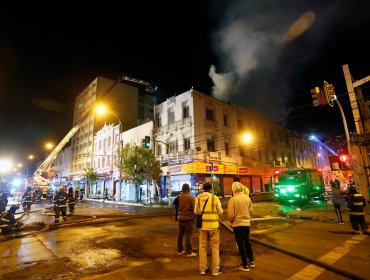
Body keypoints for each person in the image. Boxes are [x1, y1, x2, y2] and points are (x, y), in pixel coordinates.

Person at [194, 182, 223, 276]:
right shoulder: (215, 198)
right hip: (214, 226)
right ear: (210, 189)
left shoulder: (198, 198)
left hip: (202, 227)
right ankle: (215, 270)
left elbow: (195, 211)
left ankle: (203, 269)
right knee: (215, 248)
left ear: (203, 188)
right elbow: (221, 211)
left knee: (202, 248)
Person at [228, 181, 255, 272]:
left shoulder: (233, 199)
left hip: (237, 224)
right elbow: (251, 211)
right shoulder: (247, 198)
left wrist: (231, 221)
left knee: (241, 244)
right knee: (247, 241)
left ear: (233, 189)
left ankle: (244, 265)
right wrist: (247, 218)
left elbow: (231, 215)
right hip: (246, 223)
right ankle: (251, 261)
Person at [173, 183, 197, 257]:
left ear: (182, 189)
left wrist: (178, 215)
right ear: (188, 189)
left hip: (180, 218)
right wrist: (195, 219)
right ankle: (189, 252)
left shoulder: (178, 197)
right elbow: (195, 209)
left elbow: (175, 207)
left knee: (180, 235)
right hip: (189, 219)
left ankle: (180, 250)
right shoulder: (191, 197)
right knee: (188, 235)